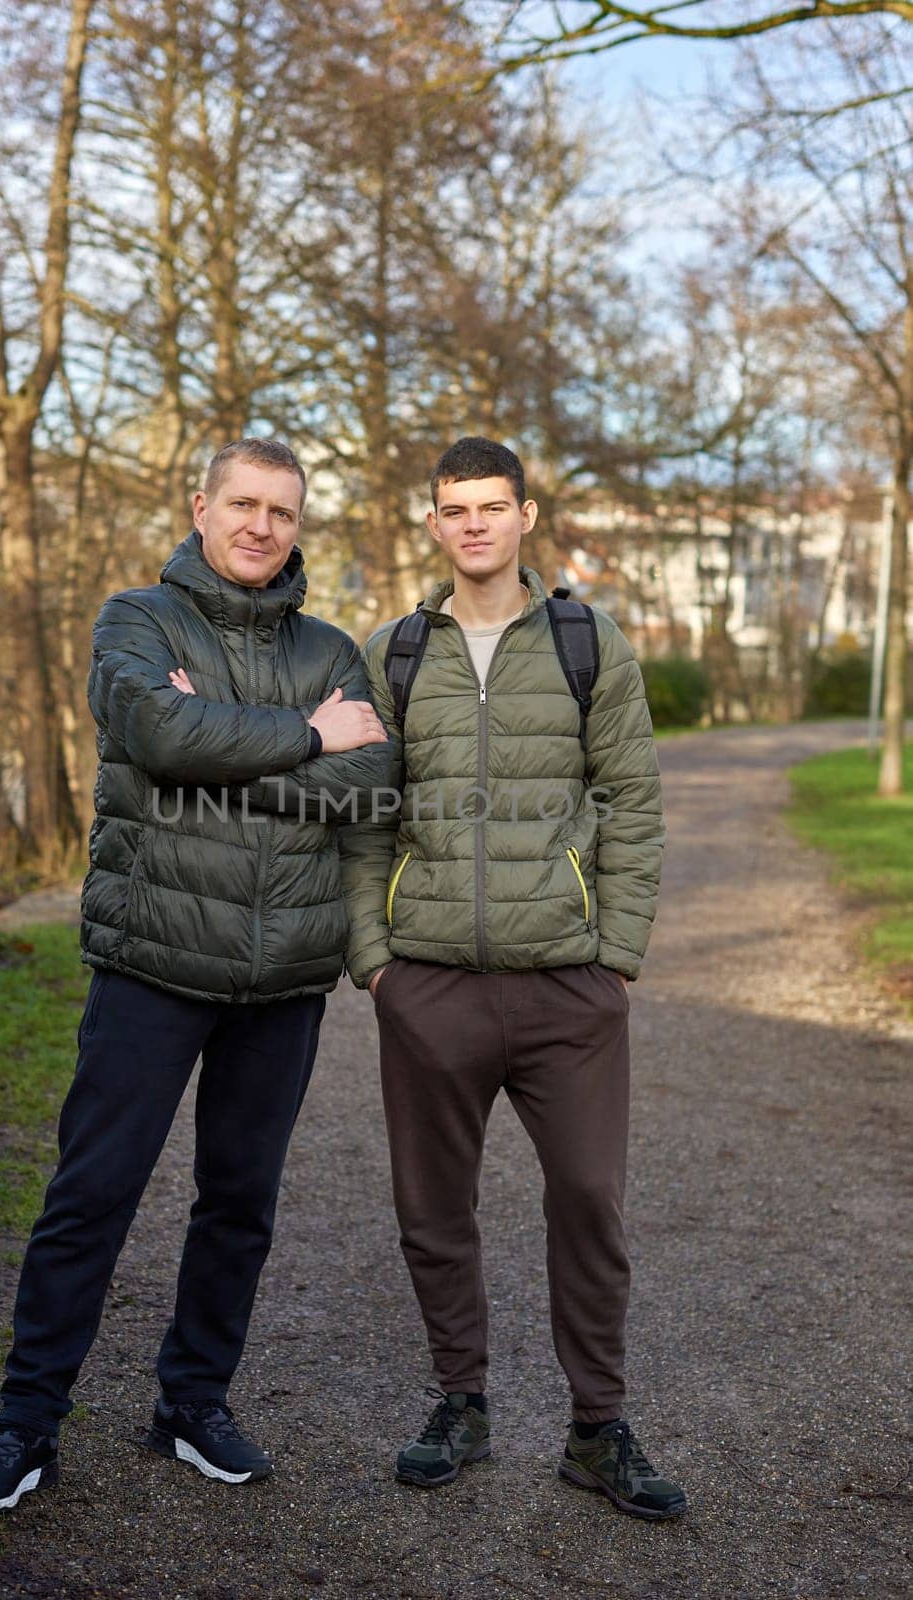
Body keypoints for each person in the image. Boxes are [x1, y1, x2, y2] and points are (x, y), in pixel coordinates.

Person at [0, 438, 392, 1511]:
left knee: (239, 1201)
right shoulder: (137, 622)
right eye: (243, 503)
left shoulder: (333, 646)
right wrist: (301, 738)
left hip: (282, 978)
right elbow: (154, 728)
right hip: (152, 963)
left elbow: (371, 782)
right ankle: (26, 1424)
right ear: (200, 505)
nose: (261, 526)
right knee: (91, 1194)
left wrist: (226, 755)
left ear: (298, 526)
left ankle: (192, 1403)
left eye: (282, 512)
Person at [339, 436, 687, 1520]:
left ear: (526, 516)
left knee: (589, 1198)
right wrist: (376, 960)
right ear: (433, 524)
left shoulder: (589, 643)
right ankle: (462, 1402)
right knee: (431, 1205)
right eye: (456, 508)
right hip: (428, 985)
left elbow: (632, 800)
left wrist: (616, 950)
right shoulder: (392, 651)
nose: (475, 524)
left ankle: (598, 1426)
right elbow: (363, 814)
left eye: (494, 505)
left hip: (567, 989)